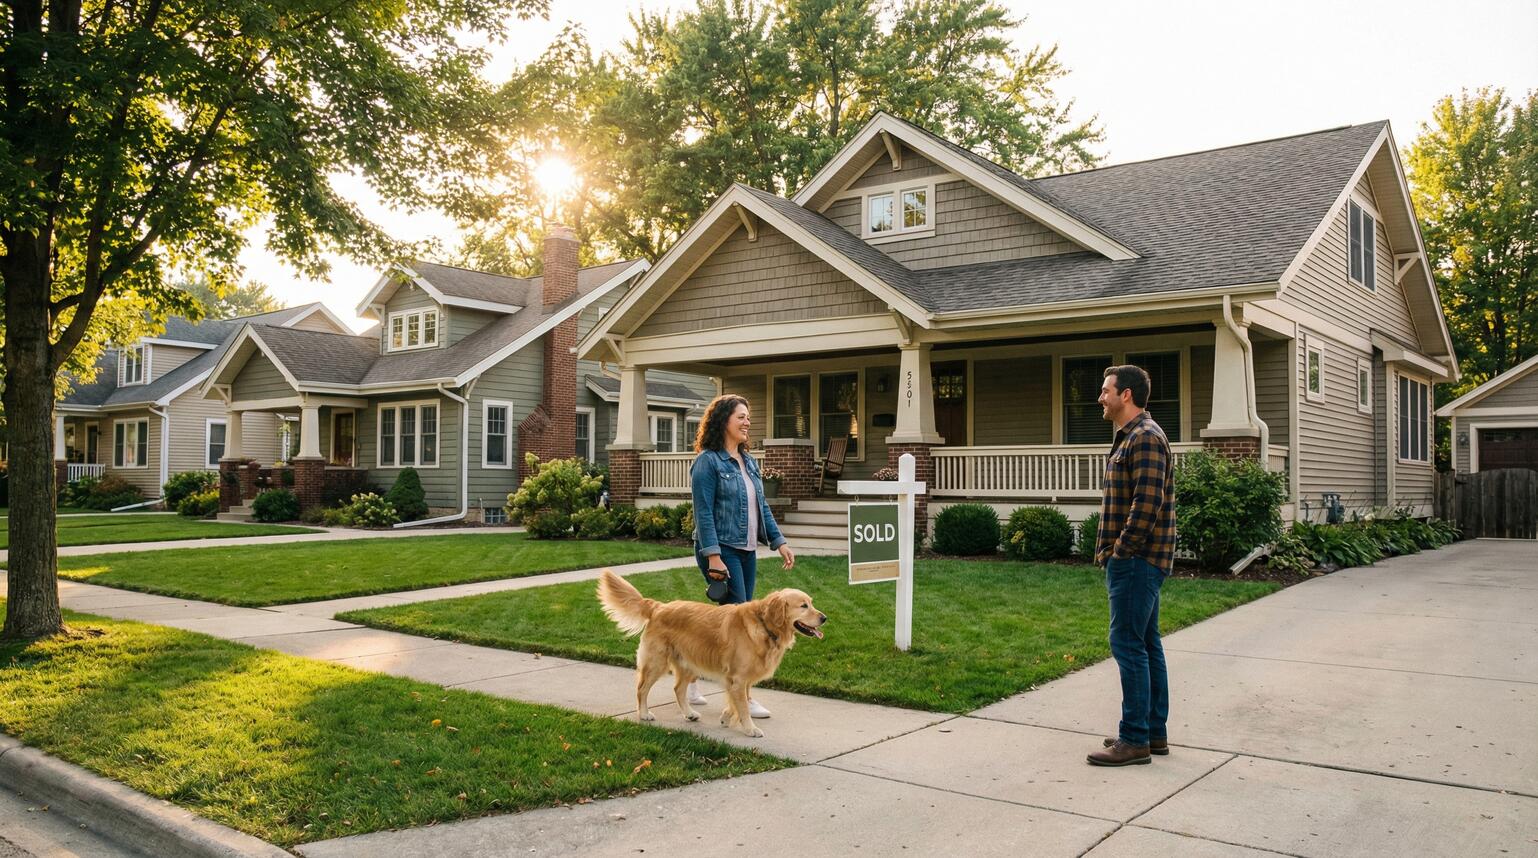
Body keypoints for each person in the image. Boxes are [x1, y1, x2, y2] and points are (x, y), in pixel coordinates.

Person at [1087, 364, 1176, 767]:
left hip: (1138, 561)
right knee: (1145, 643)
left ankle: (1135, 739)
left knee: (1127, 645)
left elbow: (1148, 502)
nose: (1101, 397)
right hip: (1138, 559)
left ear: (1126, 395)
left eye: (1106, 391)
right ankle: (1152, 732)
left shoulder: (1145, 437)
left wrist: (1121, 550)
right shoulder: (1132, 437)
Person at [687, 394, 796, 716]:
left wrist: (778, 541)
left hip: (747, 549)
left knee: (729, 624)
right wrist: (713, 556)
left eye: (749, 417)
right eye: (741, 417)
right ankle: (743, 697)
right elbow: (703, 512)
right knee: (745, 627)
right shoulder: (708, 462)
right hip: (723, 549)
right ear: (723, 421)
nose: (748, 422)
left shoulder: (748, 462)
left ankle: (690, 673)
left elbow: (761, 506)